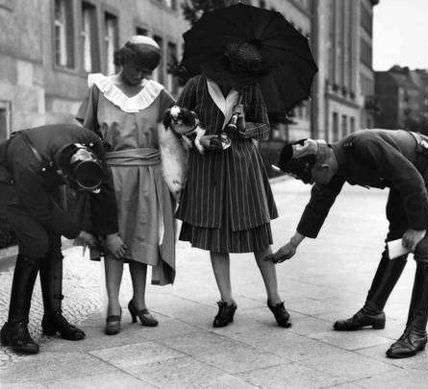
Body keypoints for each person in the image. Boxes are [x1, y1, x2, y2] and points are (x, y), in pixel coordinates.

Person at [269, 129, 428, 358]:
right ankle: (372, 311)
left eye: (311, 178)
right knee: (396, 243)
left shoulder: (365, 145)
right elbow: (319, 202)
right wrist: (294, 243)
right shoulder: (333, 162)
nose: (311, 184)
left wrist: (419, 226)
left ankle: (417, 333)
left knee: (425, 248)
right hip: (409, 181)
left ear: (322, 168)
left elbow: (412, 179)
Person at [176, 42, 291, 328]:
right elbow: (175, 119)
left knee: (259, 234)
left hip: (243, 167)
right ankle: (227, 301)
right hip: (209, 167)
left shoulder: (250, 88)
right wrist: (198, 138)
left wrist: (244, 128)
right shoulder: (197, 85)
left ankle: (274, 299)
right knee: (216, 235)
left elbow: (264, 128)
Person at [76, 35, 176, 335]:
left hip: (148, 174)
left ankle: (140, 303)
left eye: (148, 71)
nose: (142, 76)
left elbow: (177, 131)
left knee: (142, 239)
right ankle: (114, 306)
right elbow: (85, 135)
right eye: (138, 68)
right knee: (113, 238)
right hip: (112, 176)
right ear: (124, 60)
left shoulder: (158, 93)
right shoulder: (100, 89)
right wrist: (88, 179)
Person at [0, 124, 125, 354]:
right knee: (37, 242)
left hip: (44, 177)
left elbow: (103, 187)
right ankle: (14, 327)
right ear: (64, 173)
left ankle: (52, 318)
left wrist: (110, 233)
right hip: (10, 180)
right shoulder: (27, 162)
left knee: (53, 245)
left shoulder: (91, 142)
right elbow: (41, 209)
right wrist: (77, 232)